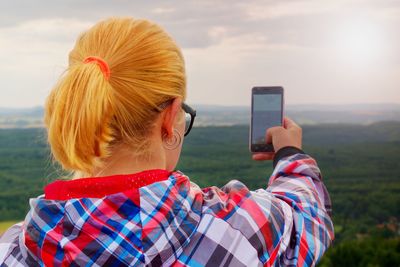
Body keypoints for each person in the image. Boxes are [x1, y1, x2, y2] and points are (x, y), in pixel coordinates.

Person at [0, 17, 334, 266]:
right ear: (168, 118)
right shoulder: (238, 231)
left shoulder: (16, 251)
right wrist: (290, 156)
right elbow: (306, 218)